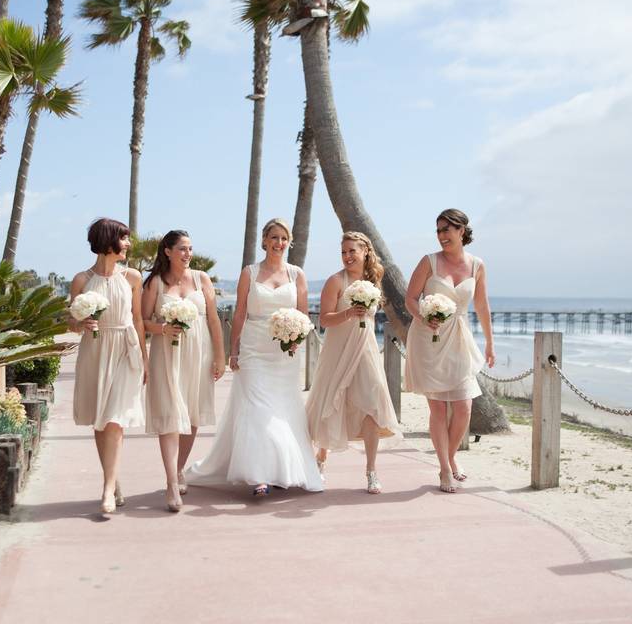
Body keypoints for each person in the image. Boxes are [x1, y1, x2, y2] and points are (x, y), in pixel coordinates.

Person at [186, 218, 323, 495]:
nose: (279, 243)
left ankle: (281, 470)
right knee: (257, 408)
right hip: (253, 348)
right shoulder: (249, 272)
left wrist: (296, 339)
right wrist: (233, 350)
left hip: (285, 351)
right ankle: (258, 475)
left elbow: (303, 314)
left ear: (289, 242)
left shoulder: (297, 274)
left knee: (283, 408)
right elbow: (240, 314)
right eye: (274, 238)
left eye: (284, 239)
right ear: (264, 240)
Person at [404, 209, 494, 493]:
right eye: (439, 230)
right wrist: (423, 317)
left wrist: (490, 342)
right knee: (438, 408)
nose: (442, 235)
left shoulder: (477, 265)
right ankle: (444, 469)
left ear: (462, 230)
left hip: (459, 339)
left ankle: (451, 456)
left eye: (447, 229)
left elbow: (481, 305)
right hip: (428, 338)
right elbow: (410, 298)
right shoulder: (428, 262)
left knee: (464, 406)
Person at [305, 232, 402, 494]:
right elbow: (324, 320)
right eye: (344, 252)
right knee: (330, 402)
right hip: (338, 350)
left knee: (371, 405)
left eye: (352, 251)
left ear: (365, 253)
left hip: (366, 349)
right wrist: (348, 312)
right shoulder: (335, 281)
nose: (348, 256)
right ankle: (320, 461)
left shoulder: (373, 281)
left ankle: (371, 471)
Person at [142, 230, 225, 512]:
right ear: (167, 251)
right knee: (169, 414)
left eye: (190, 248)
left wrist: (220, 357)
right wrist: (163, 328)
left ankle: (179, 469)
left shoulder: (202, 279)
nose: (188, 254)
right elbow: (141, 322)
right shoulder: (155, 283)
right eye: (182, 249)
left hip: (199, 353)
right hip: (166, 354)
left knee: (191, 414)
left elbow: (213, 319)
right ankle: (170, 483)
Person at [69, 218, 148, 515]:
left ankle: (106, 490)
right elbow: (71, 322)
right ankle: (113, 481)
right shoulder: (81, 279)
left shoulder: (133, 277)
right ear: (108, 241)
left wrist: (144, 357)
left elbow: (138, 318)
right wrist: (80, 322)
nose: (128, 244)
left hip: (125, 348)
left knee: (115, 420)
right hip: (95, 351)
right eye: (124, 239)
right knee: (100, 420)